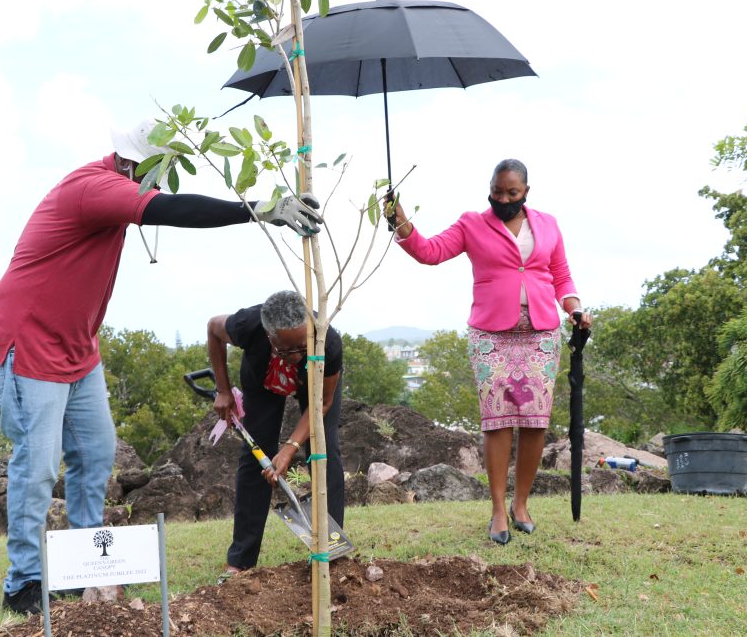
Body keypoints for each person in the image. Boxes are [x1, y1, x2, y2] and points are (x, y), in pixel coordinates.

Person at [0, 120, 323, 615]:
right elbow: (174, 209)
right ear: (133, 162)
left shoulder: (117, 183)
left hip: (79, 350)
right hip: (29, 347)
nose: (163, 180)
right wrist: (260, 211)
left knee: (95, 457)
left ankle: (82, 571)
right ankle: (24, 583)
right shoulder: (95, 188)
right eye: (159, 169)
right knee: (37, 469)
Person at [389, 158, 592, 545]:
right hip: (490, 336)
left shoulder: (547, 224)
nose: (503, 199)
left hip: (541, 334)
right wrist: (400, 223)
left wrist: (574, 308)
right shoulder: (472, 223)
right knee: (497, 421)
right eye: (497, 192)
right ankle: (498, 509)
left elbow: (561, 275)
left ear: (526, 192)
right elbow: (429, 252)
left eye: (512, 193)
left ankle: (521, 504)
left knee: (535, 421)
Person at [206, 290, 344, 580]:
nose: (295, 357)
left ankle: (329, 552)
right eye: (286, 349)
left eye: (301, 346)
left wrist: (291, 447)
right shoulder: (249, 325)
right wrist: (222, 389)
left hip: (315, 388)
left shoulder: (326, 342)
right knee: (256, 458)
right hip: (264, 382)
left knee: (325, 452)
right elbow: (213, 328)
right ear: (270, 337)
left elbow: (322, 403)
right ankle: (241, 562)